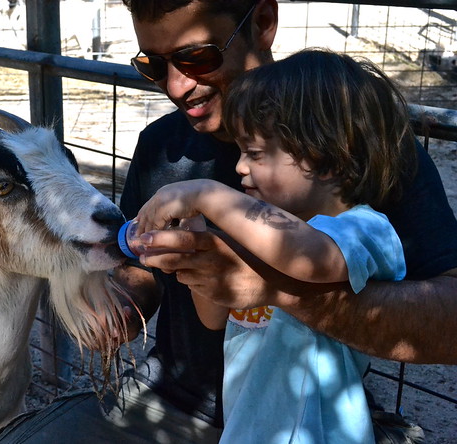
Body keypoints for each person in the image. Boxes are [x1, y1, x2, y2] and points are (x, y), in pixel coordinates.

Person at [0, 0, 457, 442]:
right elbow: (152, 286)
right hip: (179, 404)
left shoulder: (355, 147)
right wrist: (114, 300)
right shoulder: (162, 146)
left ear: (263, 22)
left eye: (195, 56)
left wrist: (269, 284)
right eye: (152, 65)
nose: (175, 86)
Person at [134, 48, 415, 443]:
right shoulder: (262, 235)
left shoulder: (364, 228)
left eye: (256, 153)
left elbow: (312, 260)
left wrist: (208, 193)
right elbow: (214, 318)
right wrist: (196, 241)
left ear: (327, 157)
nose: (239, 167)